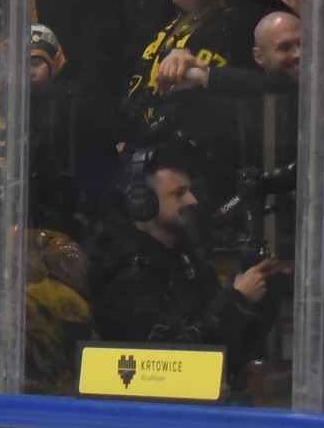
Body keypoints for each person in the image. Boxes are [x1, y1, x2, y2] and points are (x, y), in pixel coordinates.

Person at [87, 152, 282, 387]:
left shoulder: (186, 259)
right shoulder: (128, 275)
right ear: (142, 201)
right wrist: (235, 300)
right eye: (179, 193)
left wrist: (261, 302)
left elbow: (227, 352)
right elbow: (164, 370)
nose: (191, 200)